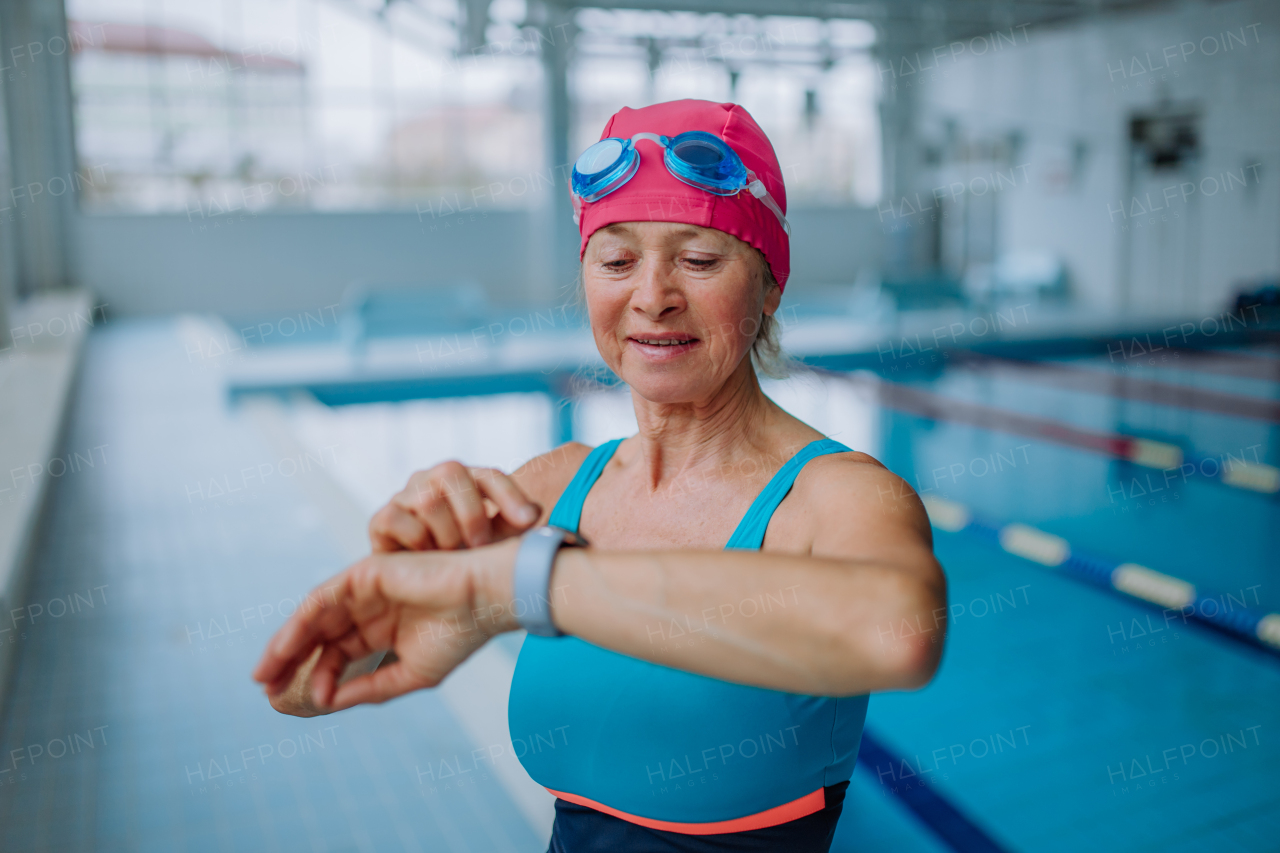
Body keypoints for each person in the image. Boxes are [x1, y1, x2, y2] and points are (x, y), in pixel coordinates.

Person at [254, 99, 947, 853]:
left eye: (700, 259)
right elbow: (298, 686)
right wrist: (400, 575)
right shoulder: (550, 491)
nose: (652, 296)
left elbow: (899, 631)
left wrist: (527, 581)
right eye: (617, 261)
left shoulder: (837, 494)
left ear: (770, 284)